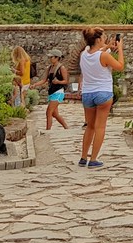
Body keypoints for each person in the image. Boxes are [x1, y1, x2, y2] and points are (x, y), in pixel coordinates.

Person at [78, 27, 124, 168]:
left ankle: (83, 157)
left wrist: (108, 46)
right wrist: (120, 48)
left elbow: (96, 51)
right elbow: (120, 66)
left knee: (90, 127)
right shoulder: (104, 56)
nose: (105, 39)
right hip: (103, 92)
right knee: (100, 127)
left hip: (87, 93)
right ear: (98, 39)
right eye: (103, 37)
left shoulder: (84, 53)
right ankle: (94, 159)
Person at [44, 51, 69, 130]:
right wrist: (35, 85)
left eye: (52, 57)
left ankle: (48, 129)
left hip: (58, 91)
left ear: (57, 58)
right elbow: (44, 79)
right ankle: (66, 127)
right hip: (51, 91)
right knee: (55, 114)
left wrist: (58, 81)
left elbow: (66, 81)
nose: (50, 59)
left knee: (49, 112)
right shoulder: (49, 68)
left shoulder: (61, 68)